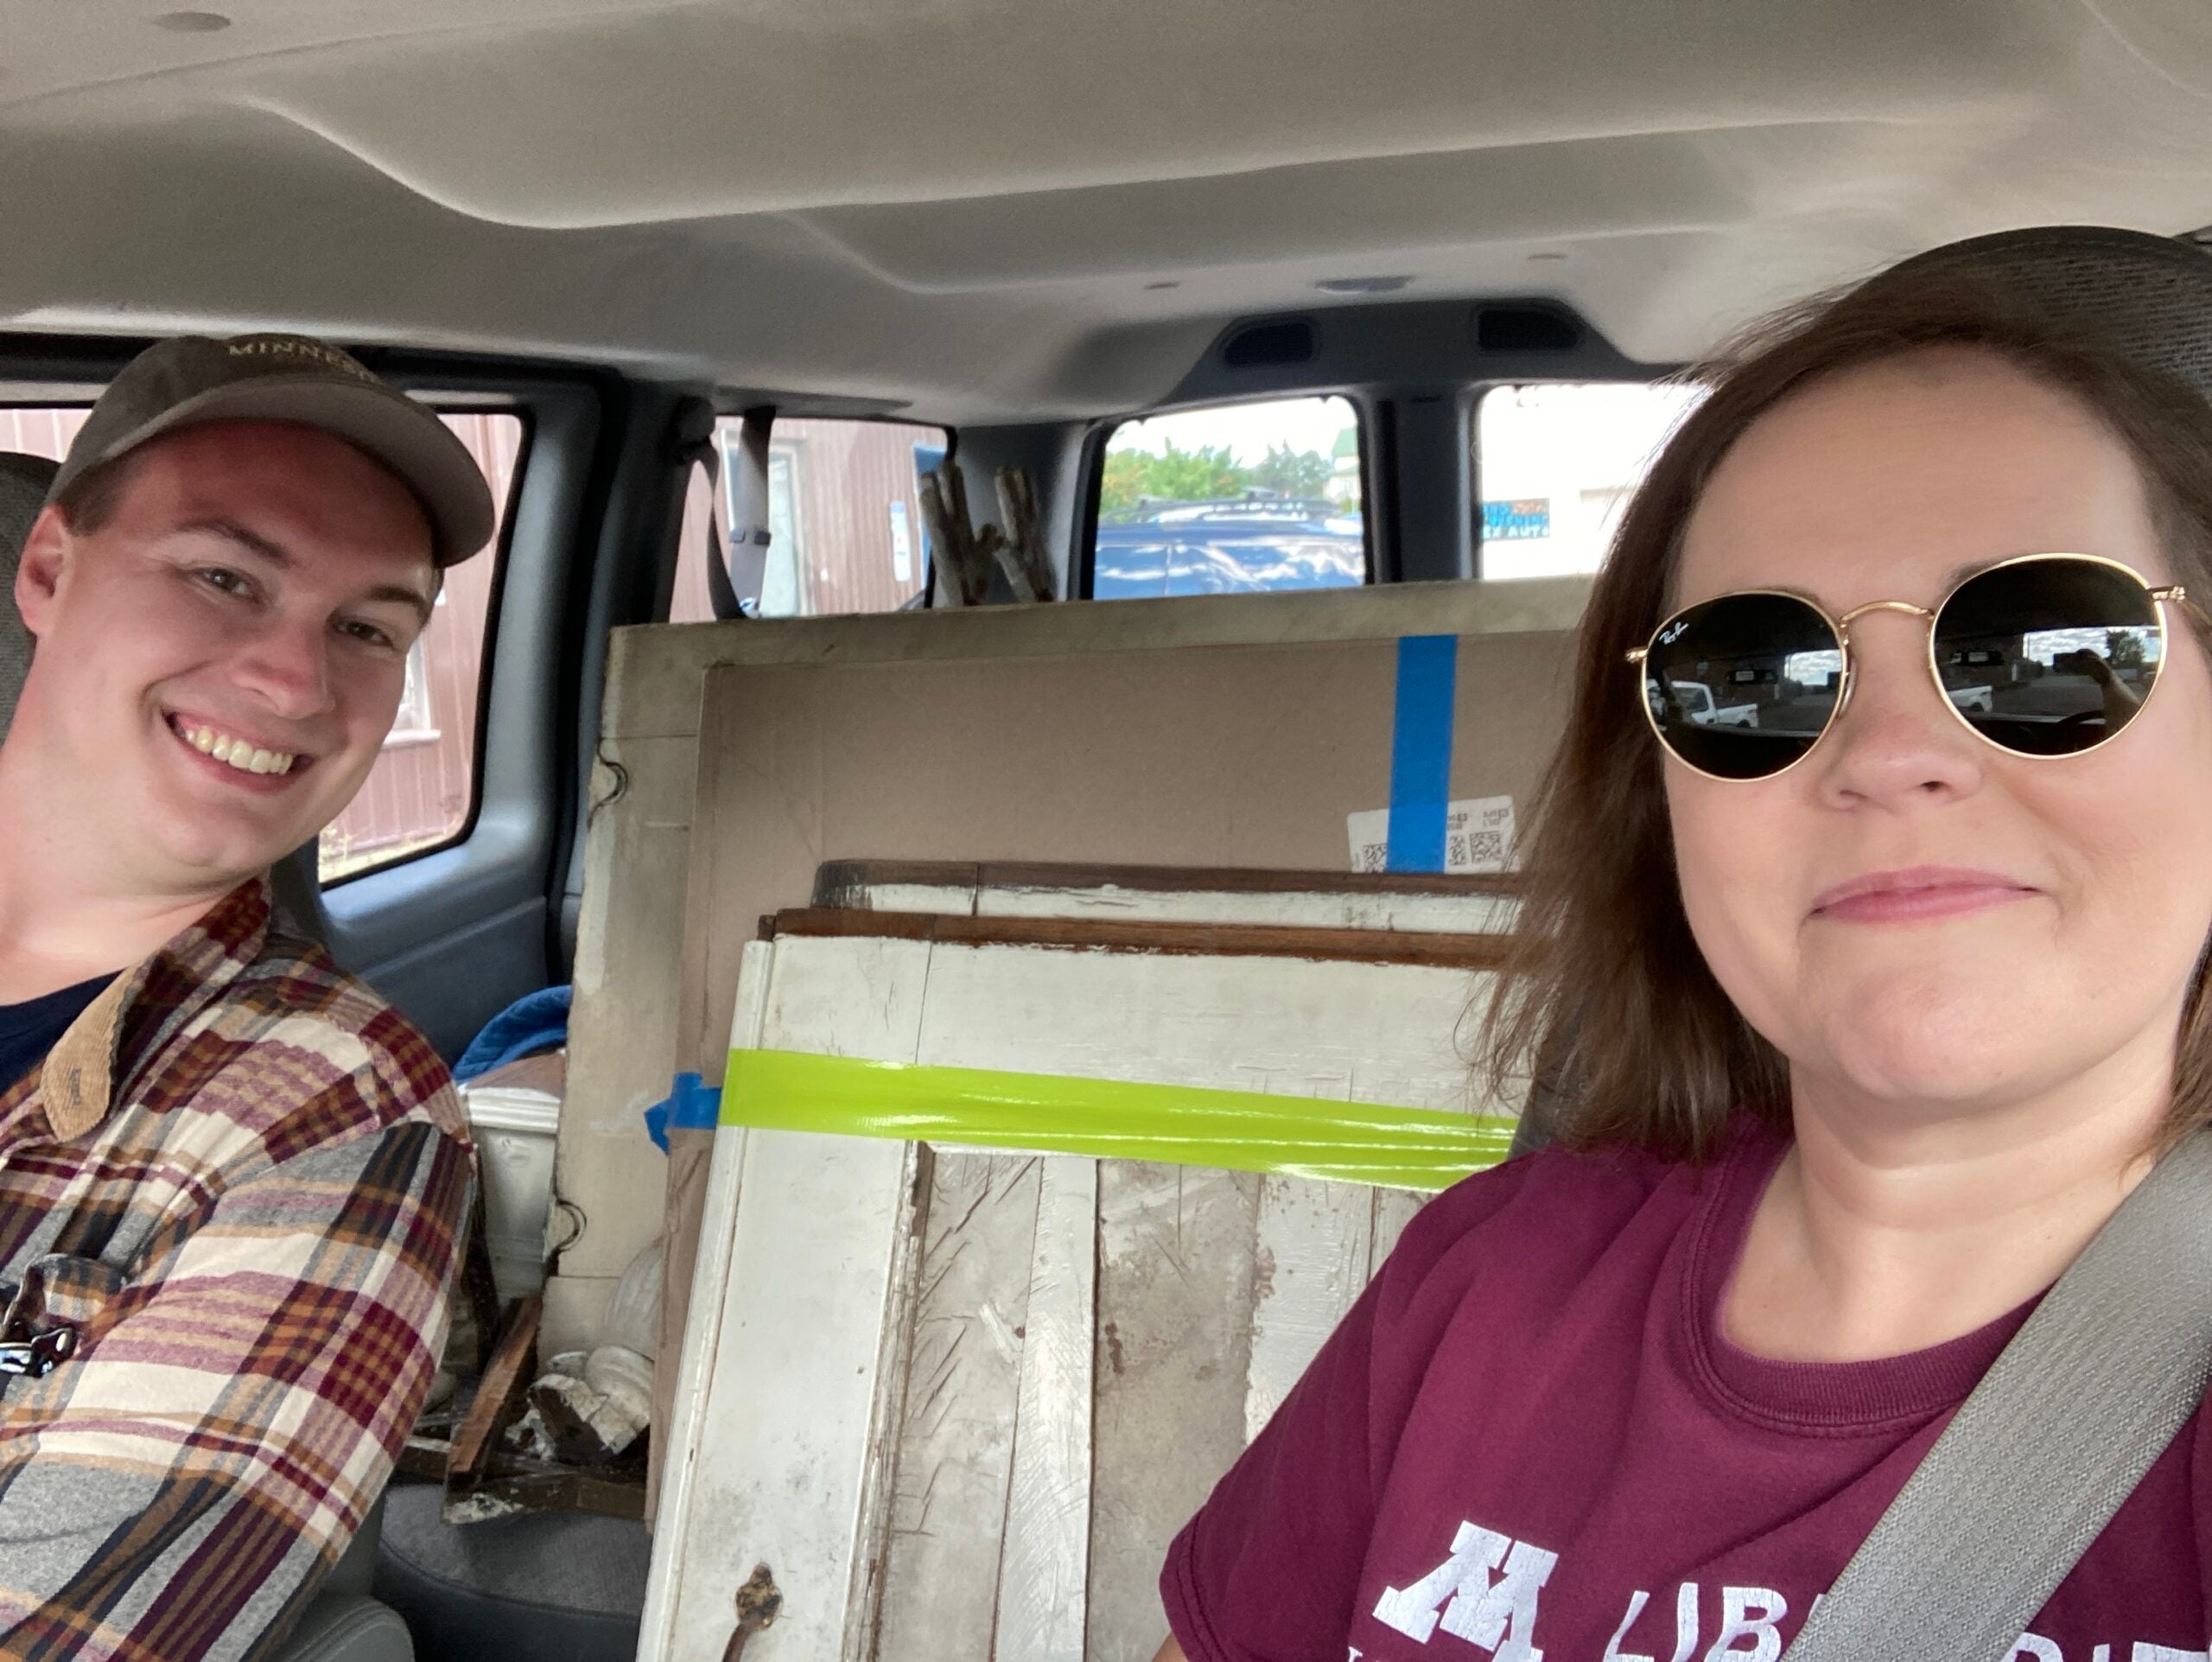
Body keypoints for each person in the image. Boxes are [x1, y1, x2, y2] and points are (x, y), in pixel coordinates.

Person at [1154, 229, 2212, 1661]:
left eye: (2042, 645)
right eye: (1754, 672)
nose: (1888, 755)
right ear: (1657, 798)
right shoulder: (1484, 1288)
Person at [0, 334, 495, 1659]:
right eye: (224, 576)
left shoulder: (334, 1110)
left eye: (367, 629)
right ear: (48, 570)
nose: (296, 684)